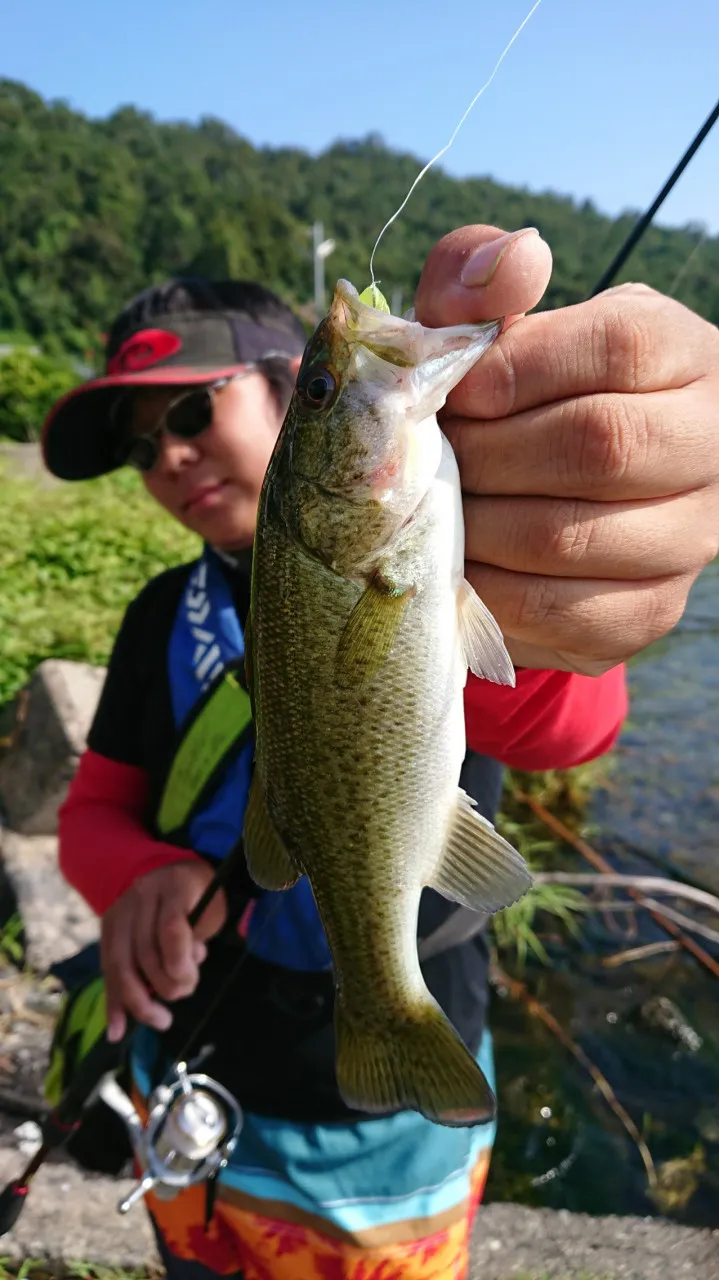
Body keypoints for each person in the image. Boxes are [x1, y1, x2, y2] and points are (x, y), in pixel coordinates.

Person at [42, 226, 719, 1280]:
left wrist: (554, 613)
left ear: (279, 393)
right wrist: (137, 877)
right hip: (201, 1071)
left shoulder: (437, 535)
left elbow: (566, 725)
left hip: (395, 1143)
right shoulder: (154, 618)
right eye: (141, 446)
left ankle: (382, 1010)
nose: (168, 454)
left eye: (190, 411)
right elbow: (90, 808)